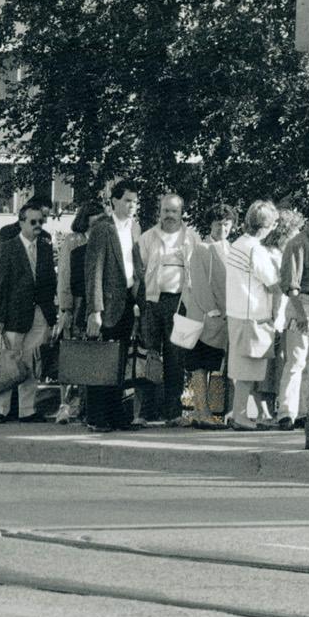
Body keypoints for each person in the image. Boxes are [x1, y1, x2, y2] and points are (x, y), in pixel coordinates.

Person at [83, 182, 147, 432]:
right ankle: (96, 417)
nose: (132, 205)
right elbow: (94, 271)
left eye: (135, 201)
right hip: (107, 304)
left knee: (120, 363)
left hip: (128, 302)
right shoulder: (103, 229)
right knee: (102, 362)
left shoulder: (135, 228)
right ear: (114, 201)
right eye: (128, 200)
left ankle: (116, 415)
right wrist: (94, 311)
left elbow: (135, 265)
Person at [0, 199, 58, 423]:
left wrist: (51, 316)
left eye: (41, 221)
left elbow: (50, 283)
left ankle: (27, 410)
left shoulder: (46, 248)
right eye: (33, 221)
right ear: (21, 223)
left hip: (39, 314)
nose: (39, 225)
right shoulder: (8, 248)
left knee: (30, 363)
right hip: (13, 317)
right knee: (8, 363)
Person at [136, 193, 197, 427]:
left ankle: (173, 413)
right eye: (165, 211)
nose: (169, 215)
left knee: (176, 358)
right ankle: (145, 412)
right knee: (149, 356)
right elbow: (139, 272)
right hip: (152, 302)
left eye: (174, 211)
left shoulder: (191, 238)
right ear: (159, 212)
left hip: (181, 304)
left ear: (181, 213)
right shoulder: (148, 237)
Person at [223, 201, 283, 430]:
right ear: (266, 225)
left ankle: (247, 413)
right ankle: (240, 416)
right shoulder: (255, 250)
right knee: (248, 369)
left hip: (237, 312)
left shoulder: (237, 244)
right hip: (253, 314)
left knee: (242, 368)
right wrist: (275, 313)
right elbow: (273, 284)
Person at [182, 205, 236, 428]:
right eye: (218, 223)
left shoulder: (232, 249)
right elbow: (199, 283)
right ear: (210, 225)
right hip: (203, 317)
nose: (222, 228)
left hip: (223, 318)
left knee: (215, 366)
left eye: (226, 223)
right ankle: (200, 411)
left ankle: (213, 412)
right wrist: (212, 310)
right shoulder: (202, 248)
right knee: (199, 366)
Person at [271, 200, 309, 430]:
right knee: (296, 361)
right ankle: (286, 412)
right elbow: (290, 285)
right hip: (302, 303)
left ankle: (305, 411)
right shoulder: (296, 244)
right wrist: (300, 314)